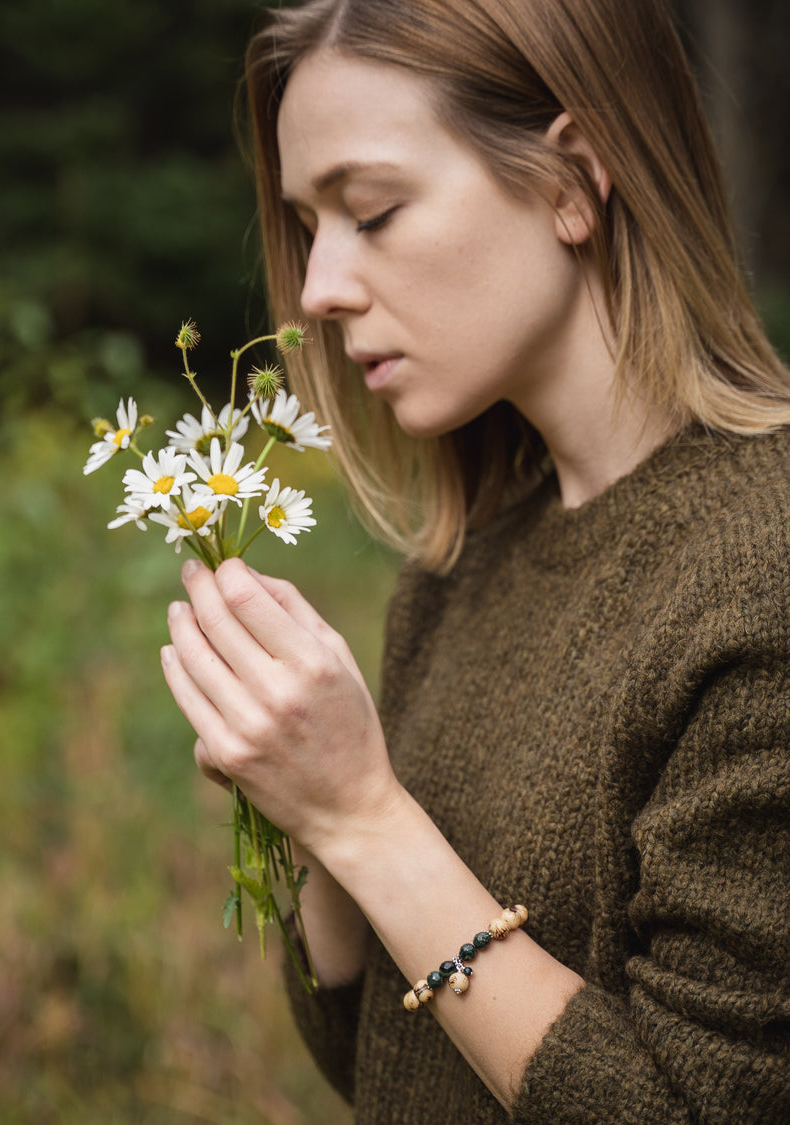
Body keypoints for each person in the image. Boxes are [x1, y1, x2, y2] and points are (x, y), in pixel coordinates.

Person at [160, 0, 790, 1120]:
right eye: (312, 226)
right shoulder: (459, 572)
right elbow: (372, 1059)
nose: (318, 292)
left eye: (374, 211)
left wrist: (365, 816)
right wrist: (304, 809)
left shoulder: (763, 578)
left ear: (571, 179)